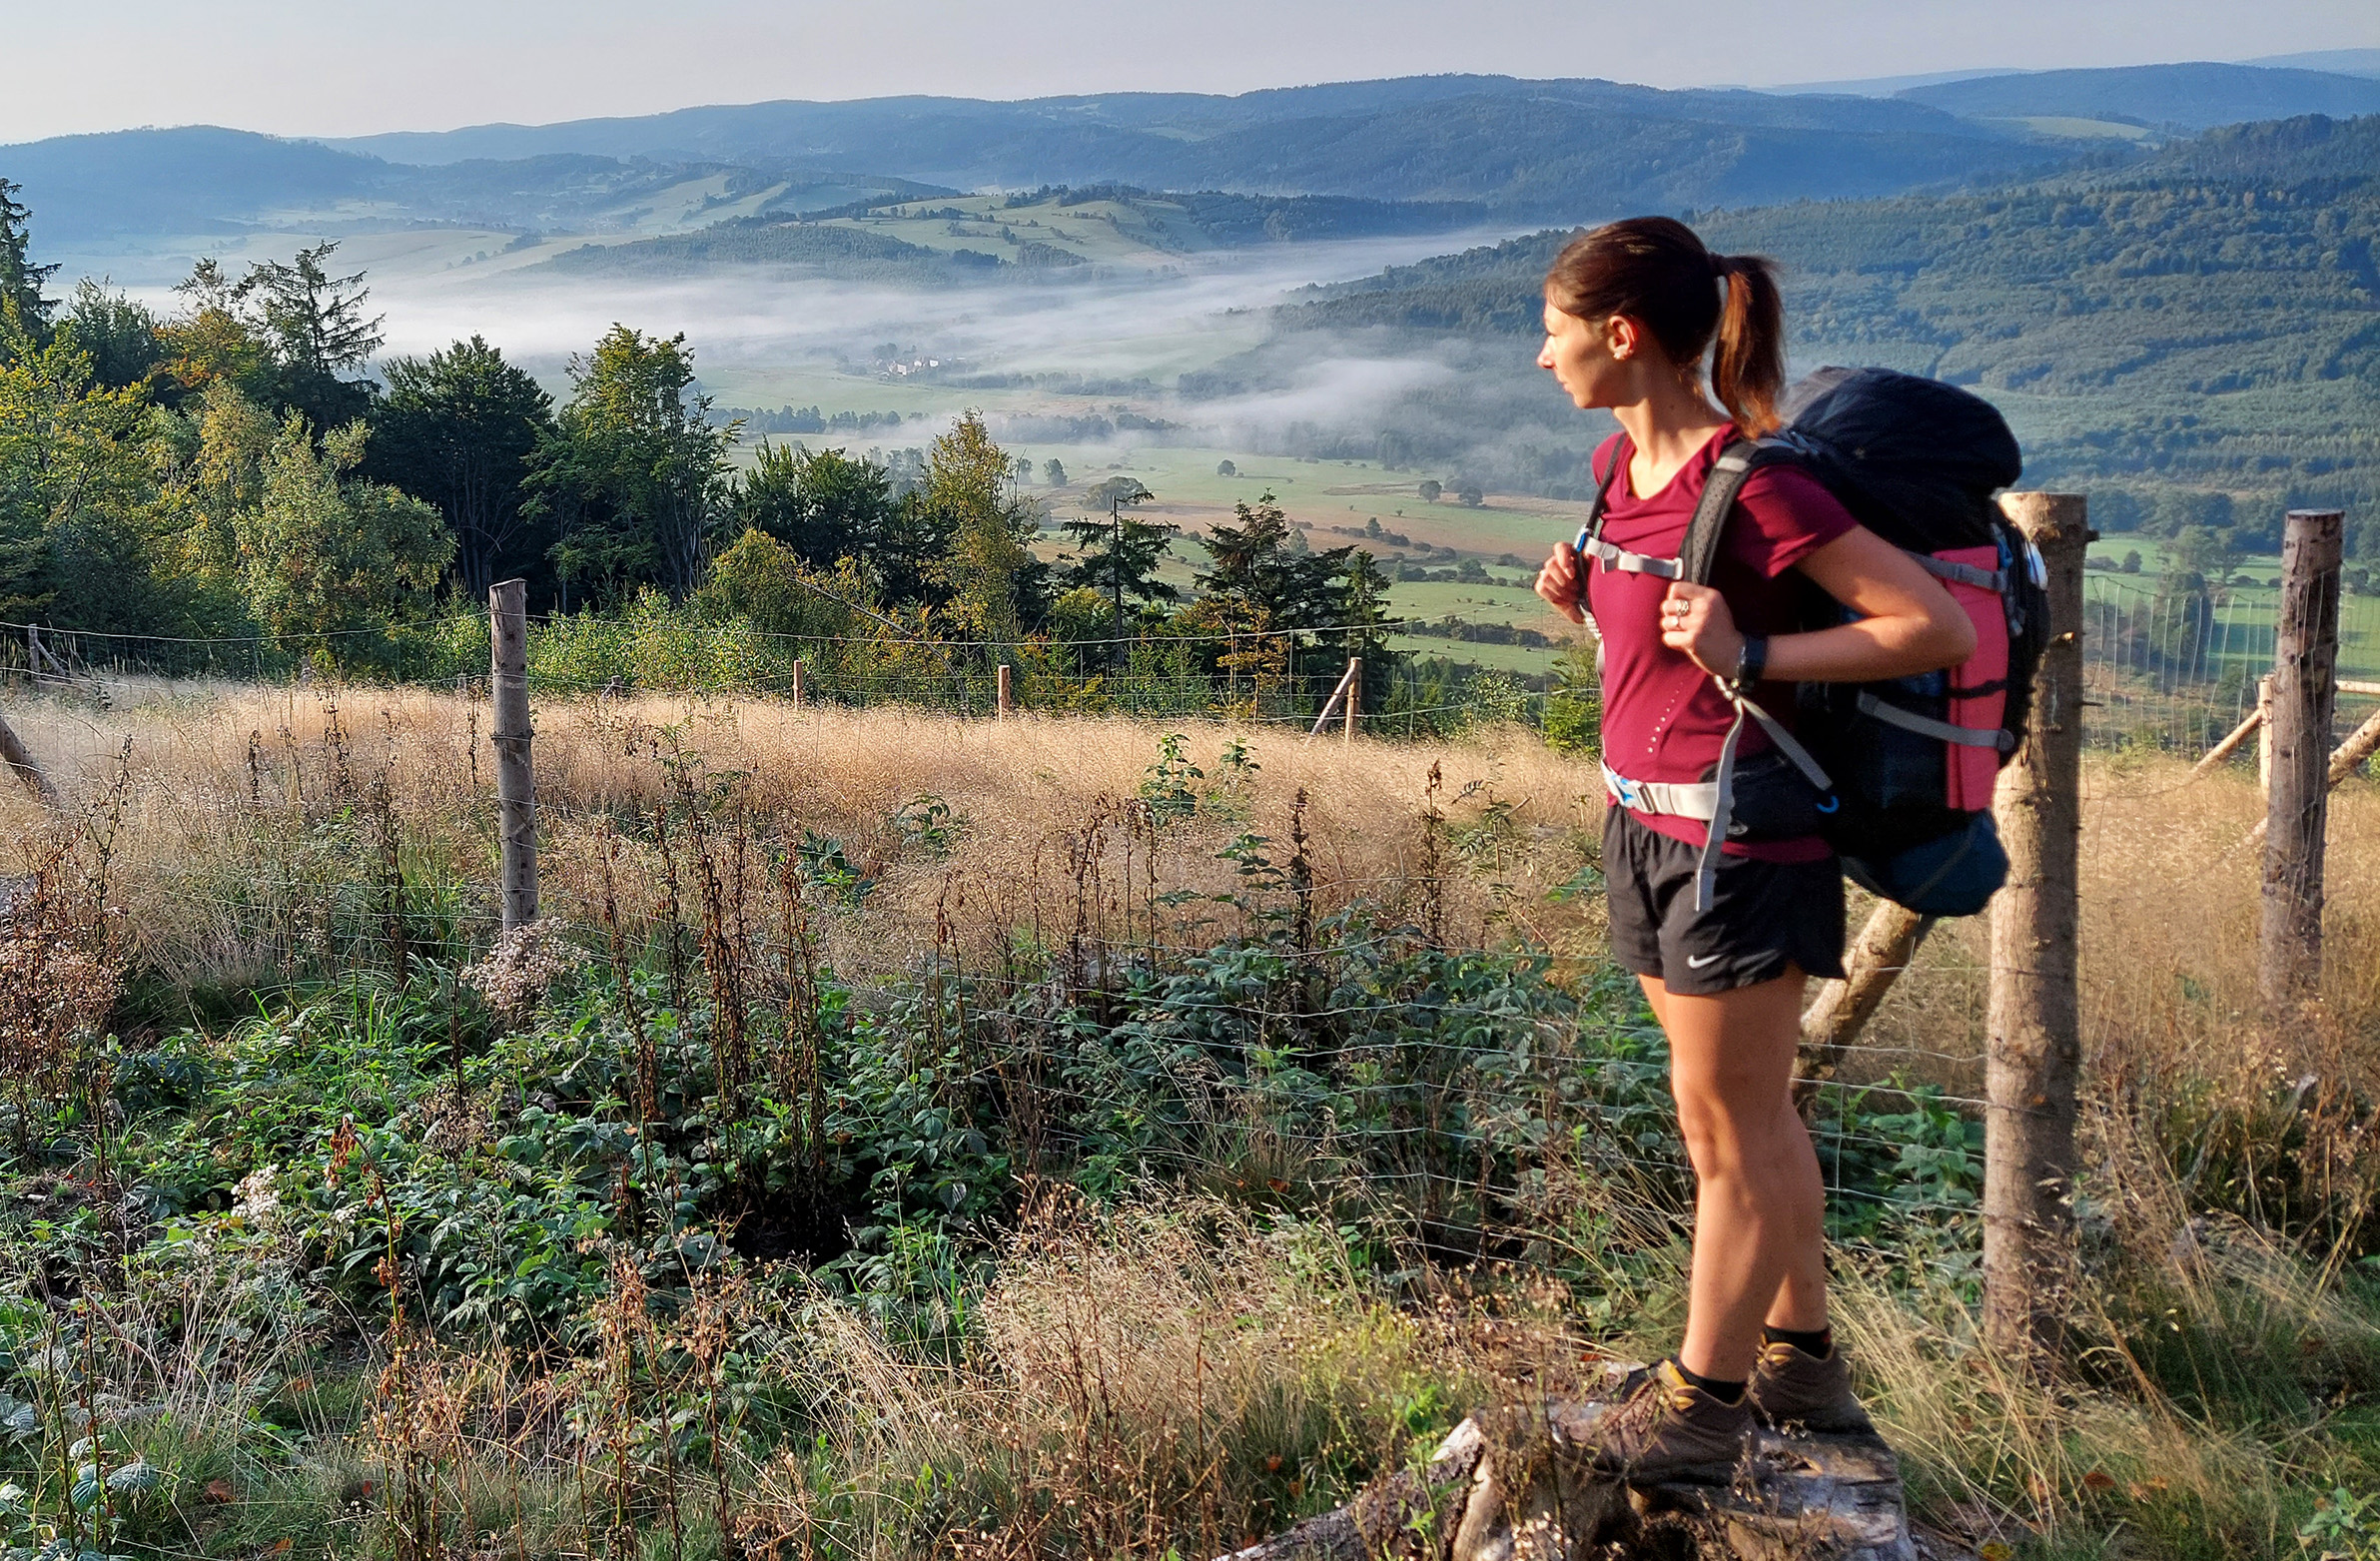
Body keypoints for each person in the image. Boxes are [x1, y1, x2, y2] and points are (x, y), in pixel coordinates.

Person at [1530, 217, 1976, 1474]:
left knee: (1726, 1132)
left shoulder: (1757, 481)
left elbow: (1930, 626)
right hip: (1649, 833)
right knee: (1744, 1119)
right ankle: (1802, 1364)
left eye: (1553, 329)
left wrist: (1756, 654)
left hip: (1742, 849)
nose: (1540, 355)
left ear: (1621, 337)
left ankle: (1700, 1411)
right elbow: (1666, 666)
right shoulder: (1623, 475)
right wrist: (1588, 611)